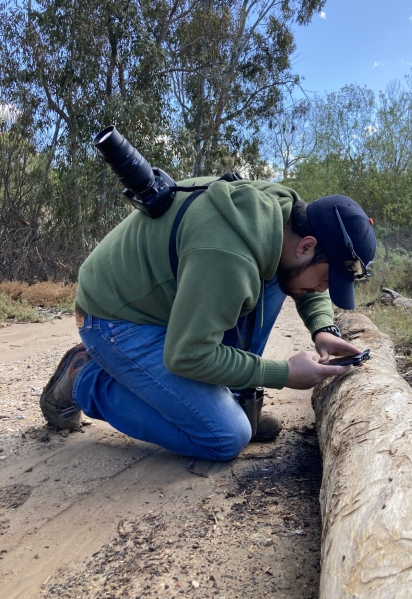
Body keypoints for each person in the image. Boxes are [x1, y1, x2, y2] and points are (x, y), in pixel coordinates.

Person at [40, 178, 376, 461]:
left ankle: (238, 396)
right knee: (226, 436)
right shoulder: (229, 256)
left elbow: (302, 275)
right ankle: (88, 379)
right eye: (327, 280)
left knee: (279, 276)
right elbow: (188, 355)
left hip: (171, 302)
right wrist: (283, 373)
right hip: (112, 318)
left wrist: (323, 328)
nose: (322, 289)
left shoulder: (286, 215)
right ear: (307, 246)